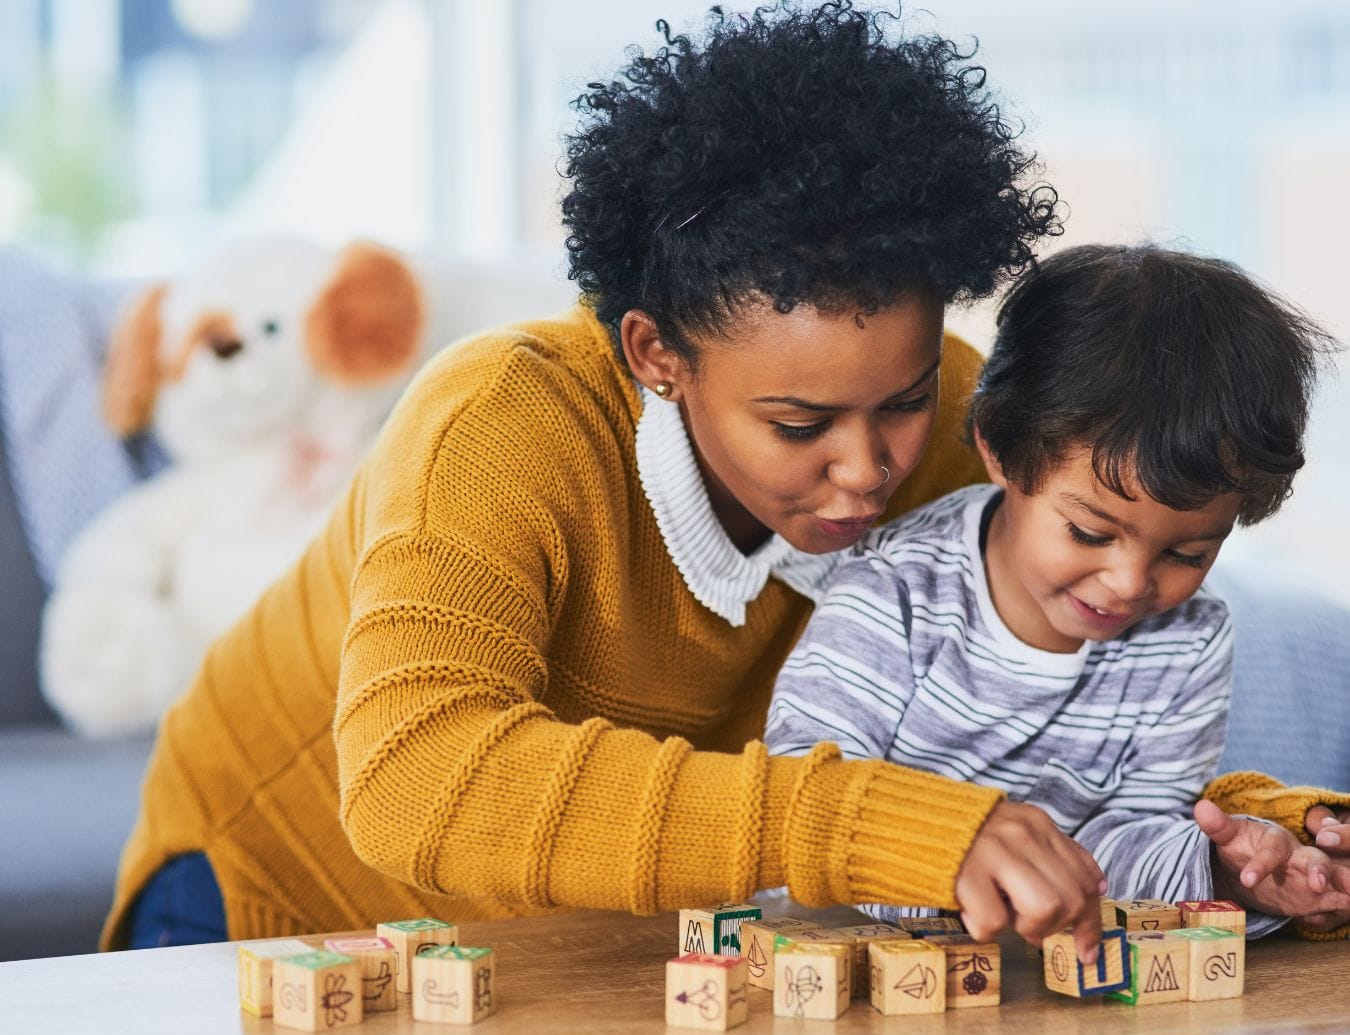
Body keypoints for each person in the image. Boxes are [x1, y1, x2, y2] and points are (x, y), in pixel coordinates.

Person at [102, 3, 1348, 957]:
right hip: (277, 891)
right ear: (659, 354)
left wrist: (1245, 832)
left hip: (584, 932)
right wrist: (862, 822)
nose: (869, 468)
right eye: (799, 420)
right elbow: (421, 780)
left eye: (906, 398)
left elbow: (1044, 738)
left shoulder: (985, 430)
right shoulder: (500, 424)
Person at [765, 243, 1350, 937]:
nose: (1130, 584)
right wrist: (946, 859)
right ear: (1002, 449)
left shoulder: (1189, 639)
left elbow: (1127, 845)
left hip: (1044, 993)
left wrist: (1222, 875)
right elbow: (805, 799)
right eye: (1089, 533)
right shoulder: (892, 594)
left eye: (1187, 552)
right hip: (862, 973)